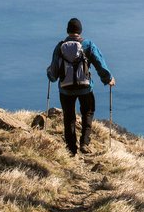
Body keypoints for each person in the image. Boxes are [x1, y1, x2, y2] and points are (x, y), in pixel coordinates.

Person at [47, 18, 115, 155]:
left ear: (68, 31)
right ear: (80, 31)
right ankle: (85, 142)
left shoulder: (60, 47)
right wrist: (108, 79)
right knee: (88, 112)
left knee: (69, 117)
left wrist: (51, 76)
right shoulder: (87, 45)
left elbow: (54, 71)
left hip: (65, 89)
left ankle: (71, 149)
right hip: (85, 88)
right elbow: (99, 63)